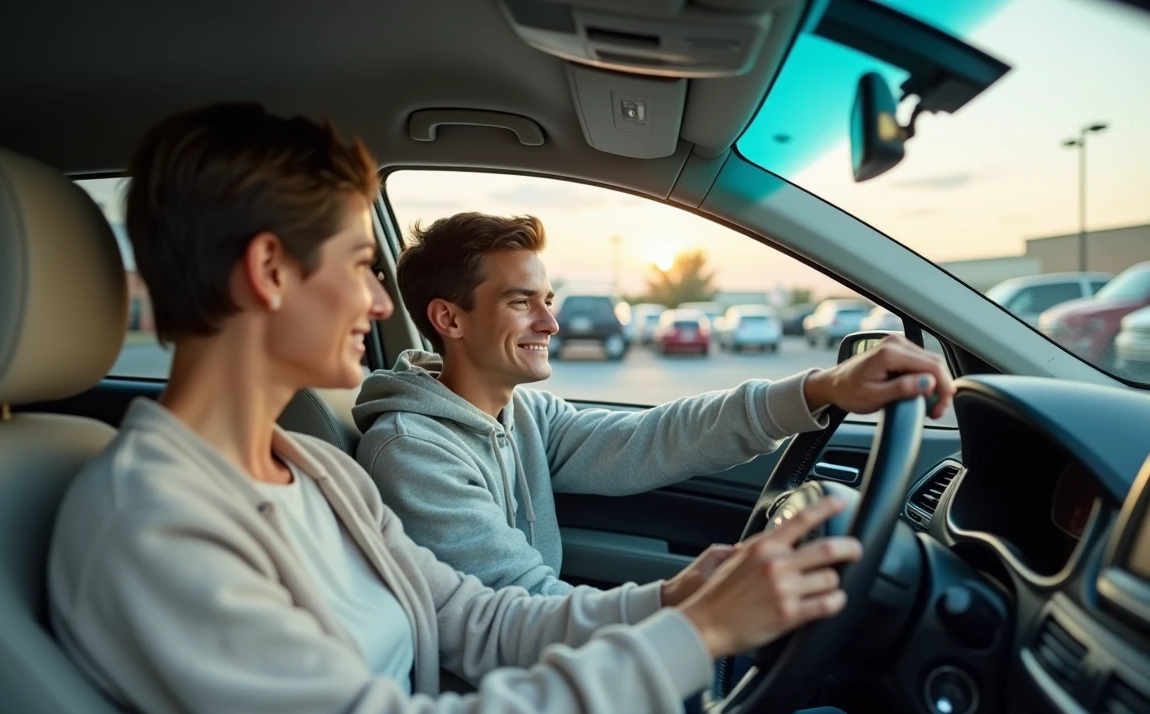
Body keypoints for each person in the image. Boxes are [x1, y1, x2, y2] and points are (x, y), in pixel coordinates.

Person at [48, 102, 924, 714]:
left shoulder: (309, 470)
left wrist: (675, 599)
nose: (378, 302)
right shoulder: (155, 524)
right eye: (360, 265)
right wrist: (693, 633)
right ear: (272, 271)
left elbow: (478, 619)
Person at [352, 213, 954, 598]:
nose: (553, 322)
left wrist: (819, 389)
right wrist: (699, 607)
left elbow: (654, 437)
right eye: (521, 302)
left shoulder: (522, 416)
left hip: (562, 685)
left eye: (549, 299)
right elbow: (518, 610)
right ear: (449, 318)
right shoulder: (413, 451)